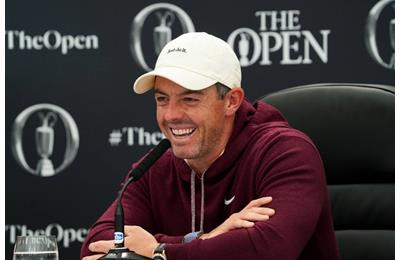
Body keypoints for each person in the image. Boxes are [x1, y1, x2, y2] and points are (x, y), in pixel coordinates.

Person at [81, 32, 340, 259]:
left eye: (190, 99)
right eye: (162, 99)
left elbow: (269, 250)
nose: (171, 115)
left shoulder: (285, 153)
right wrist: (201, 239)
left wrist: (159, 251)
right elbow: (97, 245)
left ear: (232, 101)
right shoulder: (153, 169)